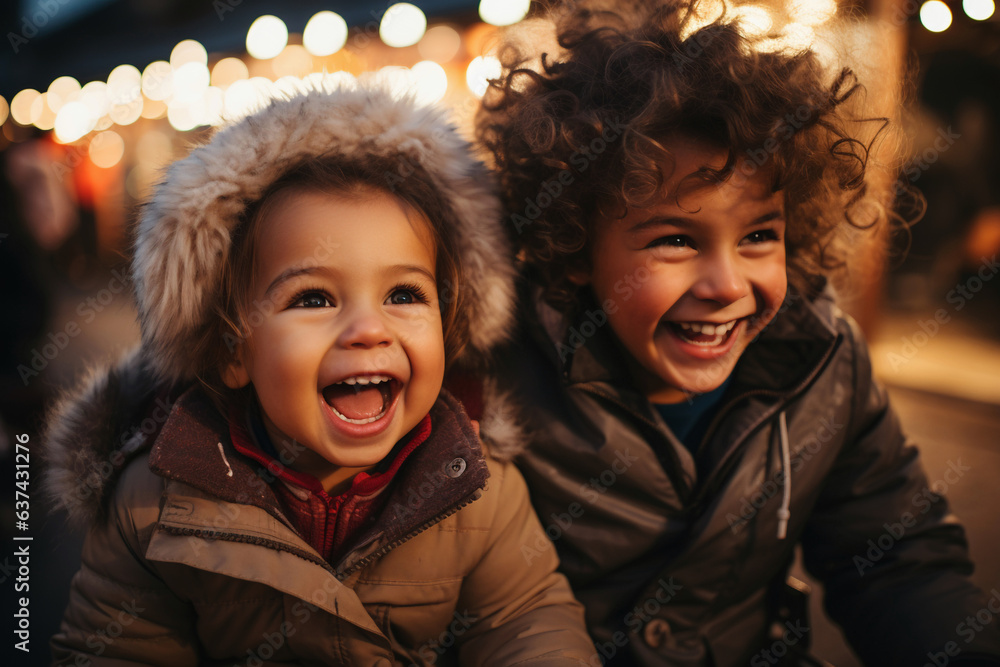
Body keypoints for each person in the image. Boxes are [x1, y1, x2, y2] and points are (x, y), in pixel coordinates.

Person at [474, 2, 1000, 666]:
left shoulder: (823, 361)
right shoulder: (496, 379)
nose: (727, 284)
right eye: (674, 239)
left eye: (758, 236)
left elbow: (898, 562)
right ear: (575, 248)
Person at [43, 77, 595, 666]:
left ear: (450, 321)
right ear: (234, 352)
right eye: (313, 299)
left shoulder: (475, 483)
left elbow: (525, 620)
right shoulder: (154, 500)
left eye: (404, 293)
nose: (368, 329)